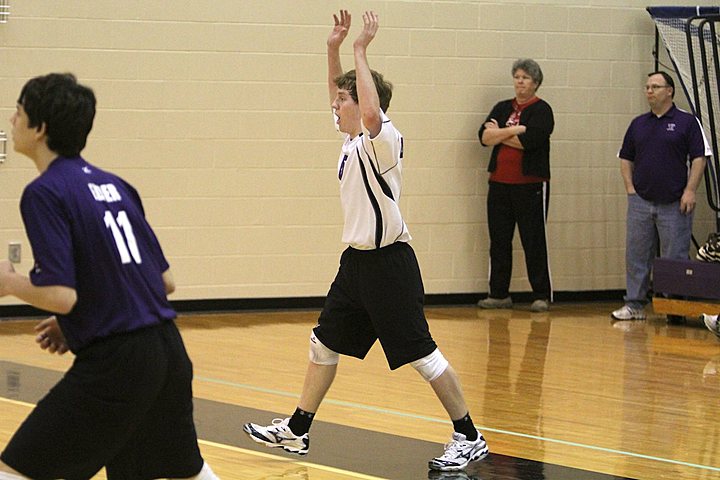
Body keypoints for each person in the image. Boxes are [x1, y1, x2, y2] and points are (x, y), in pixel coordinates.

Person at [243, 10, 488, 473]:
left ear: (363, 103)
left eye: (342, 100)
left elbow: (371, 109)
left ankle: (469, 434)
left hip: (390, 265)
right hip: (356, 264)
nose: (334, 106)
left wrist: (360, 49)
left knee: (421, 353)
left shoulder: (383, 140)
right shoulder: (351, 140)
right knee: (323, 343)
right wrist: (332, 48)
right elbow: (348, 98)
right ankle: (297, 430)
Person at [0, 73, 219, 480]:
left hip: (119, 363)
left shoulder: (44, 191)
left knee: (16, 470)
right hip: (167, 351)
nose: (12, 119)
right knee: (183, 471)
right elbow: (165, 282)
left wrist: (9, 282)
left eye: (19, 111)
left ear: (40, 128)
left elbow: (61, 295)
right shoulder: (115, 184)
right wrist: (80, 321)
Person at [611, 71, 710, 321]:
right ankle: (634, 304)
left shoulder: (687, 122)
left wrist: (690, 190)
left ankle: (674, 308)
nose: (649, 91)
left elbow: (699, 158)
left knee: (674, 256)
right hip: (641, 201)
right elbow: (625, 158)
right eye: (647, 87)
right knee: (637, 254)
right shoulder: (638, 124)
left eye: (655, 86)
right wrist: (630, 190)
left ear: (670, 91)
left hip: (674, 203)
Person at [477, 59, 554, 313]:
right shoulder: (501, 107)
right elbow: (484, 137)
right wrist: (515, 130)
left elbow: (530, 141)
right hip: (499, 184)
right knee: (499, 240)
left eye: (526, 78)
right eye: (517, 76)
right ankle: (498, 293)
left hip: (530, 186)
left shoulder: (542, 110)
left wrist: (502, 134)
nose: (520, 81)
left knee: (533, 241)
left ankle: (541, 294)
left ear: (536, 83)